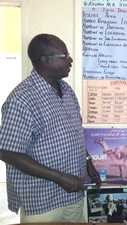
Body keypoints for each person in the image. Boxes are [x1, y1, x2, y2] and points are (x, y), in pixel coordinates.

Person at [0, 33, 101, 223]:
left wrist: (88, 163)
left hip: (73, 194)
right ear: (44, 60)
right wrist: (60, 178)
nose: (70, 60)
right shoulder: (21, 99)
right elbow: (8, 153)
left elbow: (75, 134)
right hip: (41, 201)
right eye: (64, 56)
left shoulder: (67, 91)